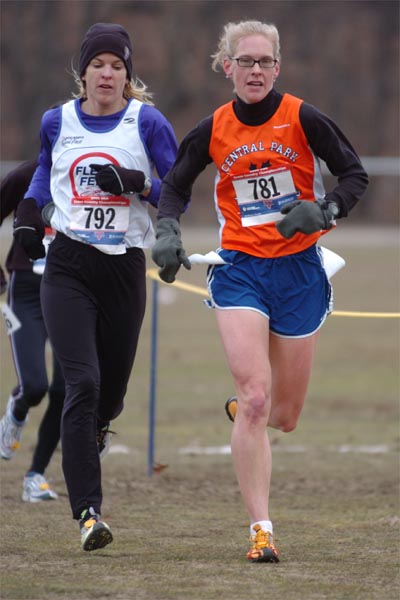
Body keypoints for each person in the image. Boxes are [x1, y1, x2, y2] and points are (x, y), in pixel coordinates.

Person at [151, 20, 368, 563]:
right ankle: (261, 531)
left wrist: (324, 210)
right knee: (254, 399)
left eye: (264, 62)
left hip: (298, 271)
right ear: (227, 67)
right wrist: (168, 229)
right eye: (244, 61)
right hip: (240, 268)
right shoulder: (213, 128)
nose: (254, 71)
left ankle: (249, 411)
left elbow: (354, 176)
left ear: (277, 67)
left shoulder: (303, 117)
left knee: (285, 414)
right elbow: (176, 184)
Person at [13, 22, 178, 551]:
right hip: (68, 265)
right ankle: (89, 514)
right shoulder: (56, 121)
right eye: (98, 64)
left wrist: (137, 183)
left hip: (124, 269)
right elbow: (45, 170)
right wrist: (27, 213)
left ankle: (100, 426)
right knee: (79, 384)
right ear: (82, 71)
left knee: (108, 395)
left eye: (117, 66)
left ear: (128, 76)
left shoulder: (146, 123)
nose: (107, 74)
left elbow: (177, 193)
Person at [0, 159, 65, 503]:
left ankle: (35, 476)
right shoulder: (25, 176)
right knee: (35, 385)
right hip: (22, 293)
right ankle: (17, 408)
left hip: (69, 288)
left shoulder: (87, 172)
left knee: (65, 388)